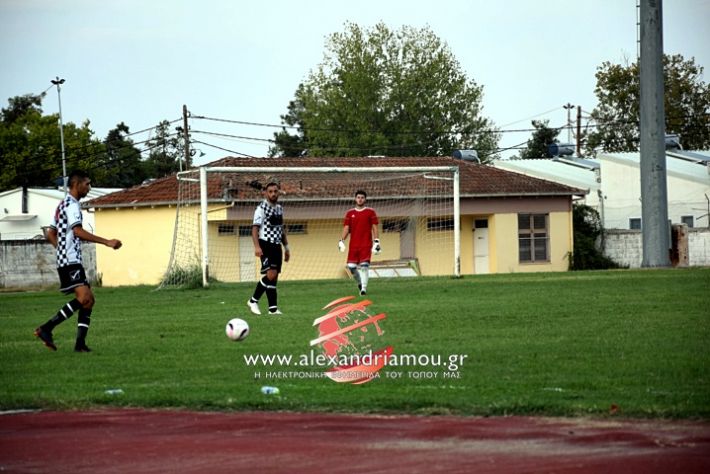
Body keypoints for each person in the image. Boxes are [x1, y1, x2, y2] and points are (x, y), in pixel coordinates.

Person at [34, 170, 122, 352]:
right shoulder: (72, 206)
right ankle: (46, 328)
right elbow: (77, 231)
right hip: (70, 261)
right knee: (84, 298)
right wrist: (107, 242)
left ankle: (80, 345)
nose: (89, 188)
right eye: (87, 184)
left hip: (68, 259)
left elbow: (50, 233)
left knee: (88, 300)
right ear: (76, 184)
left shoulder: (62, 205)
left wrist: (61, 250)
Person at [247, 180, 290, 315]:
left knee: (274, 277)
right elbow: (255, 229)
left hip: (277, 245)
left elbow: (281, 229)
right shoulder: (261, 208)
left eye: (275, 191)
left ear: (278, 193)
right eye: (270, 192)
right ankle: (253, 301)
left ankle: (273, 309)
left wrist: (286, 247)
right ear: (265, 193)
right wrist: (257, 247)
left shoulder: (279, 208)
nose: (273, 194)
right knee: (270, 274)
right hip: (265, 244)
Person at [339, 190, 380, 295]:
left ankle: (364, 289)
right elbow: (346, 228)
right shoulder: (350, 213)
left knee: (364, 266)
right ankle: (360, 283)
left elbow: (375, 227)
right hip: (353, 245)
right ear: (355, 199)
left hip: (366, 244)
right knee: (352, 267)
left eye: (362, 197)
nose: (360, 199)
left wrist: (376, 241)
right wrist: (341, 240)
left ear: (365, 199)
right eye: (358, 197)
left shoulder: (370, 212)